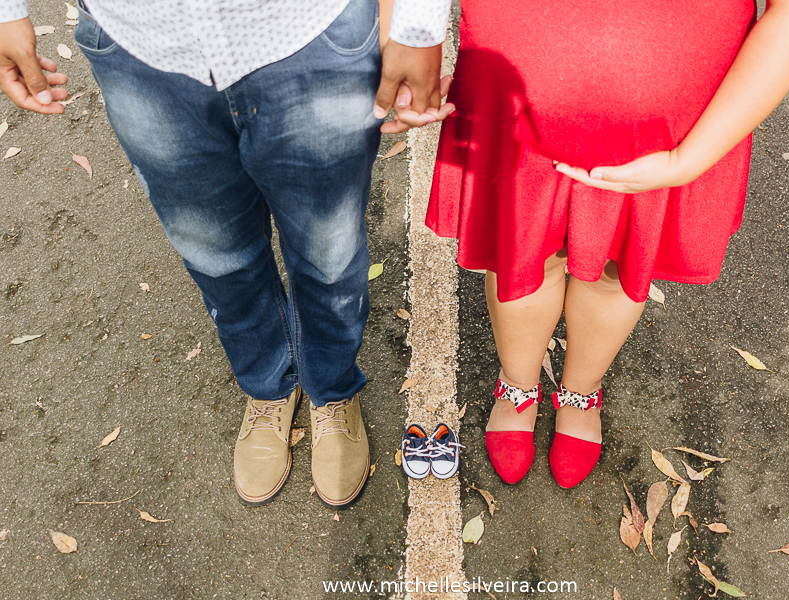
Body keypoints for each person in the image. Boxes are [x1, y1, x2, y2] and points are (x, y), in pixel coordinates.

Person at [0, 0, 453, 507]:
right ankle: (268, 386)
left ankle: (331, 388)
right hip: (140, 42)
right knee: (217, 255)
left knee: (329, 253)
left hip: (309, 31)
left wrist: (417, 22)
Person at [426, 0, 789, 488]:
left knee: (617, 265)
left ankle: (581, 390)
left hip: (668, 130)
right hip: (514, 87)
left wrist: (687, 161)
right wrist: (415, 37)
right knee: (522, 252)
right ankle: (517, 384)